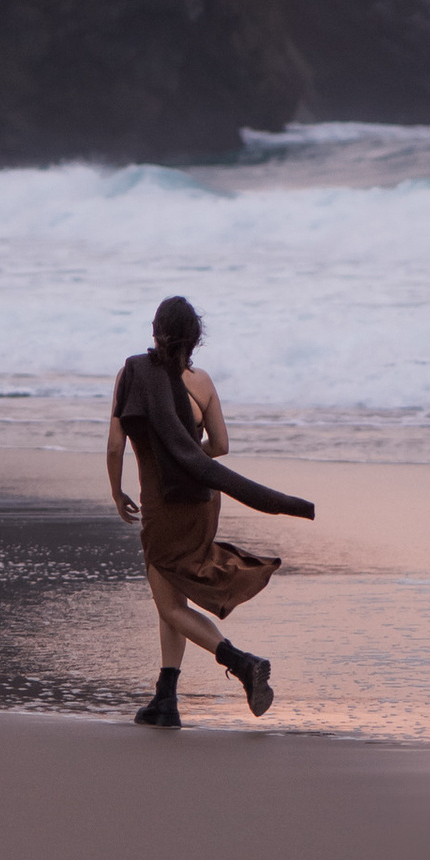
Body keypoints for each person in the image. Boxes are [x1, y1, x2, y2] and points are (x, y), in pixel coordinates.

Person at [107, 294, 315, 727]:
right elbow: (220, 446)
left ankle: (243, 663)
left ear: (154, 331)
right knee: (172, 598)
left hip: (162, 504)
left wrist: (116, 489)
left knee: (169, 606)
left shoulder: (132, 373)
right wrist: (189, 460)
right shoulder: (202, 383)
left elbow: (114, 445)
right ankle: (165, 699)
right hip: (202, 499)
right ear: (195, 339)